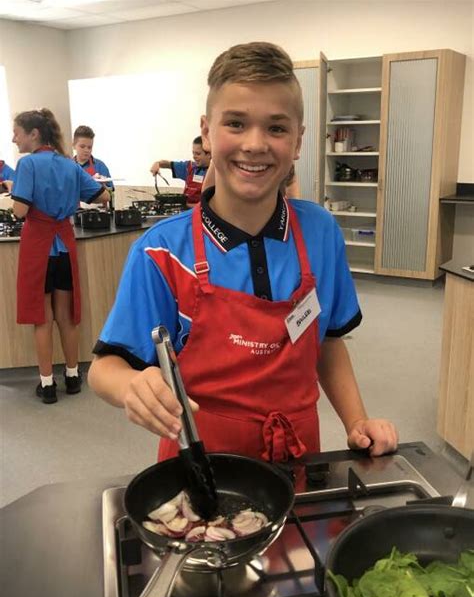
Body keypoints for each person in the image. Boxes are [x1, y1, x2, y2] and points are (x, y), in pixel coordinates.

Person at [89, 42, 398, 462]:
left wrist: (356, 420)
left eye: (276, 128)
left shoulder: (320, 233)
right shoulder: (160, 251)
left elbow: (326, 341)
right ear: (207, 131)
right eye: (235, 123)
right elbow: (104, 368)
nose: (255, 144)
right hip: (202, 462)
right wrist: (131, 387)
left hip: (298, 453)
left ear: (299, 139)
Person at [11, 109, 109, 404]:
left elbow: (19, 211)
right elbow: (102, 195)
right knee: (67, 316)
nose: (13, 138)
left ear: (34, 134)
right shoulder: (69, 165)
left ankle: (47, 384)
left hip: (38, 246)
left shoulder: (27, 165)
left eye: (16, 132)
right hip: (64, 246)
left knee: (43, 318)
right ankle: (71, 375)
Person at [150, 136, 211, 207]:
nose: (194, 157)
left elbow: (211, 207)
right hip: (186, 211)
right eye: (193, 153)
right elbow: (168, 164)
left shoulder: (217, 174)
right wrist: (157, 164)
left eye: (198, 154)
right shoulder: (189, 167)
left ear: (209, 154)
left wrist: (186, 205)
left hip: (201, 213)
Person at [72, 125, 114, 190]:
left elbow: (111, 193)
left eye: (89, 147)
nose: (86, 150)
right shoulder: (68, 167)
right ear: (74, 145)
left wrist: (104, 187)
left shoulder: (100, 166)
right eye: (82, 146)